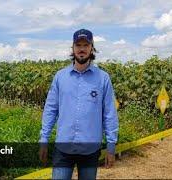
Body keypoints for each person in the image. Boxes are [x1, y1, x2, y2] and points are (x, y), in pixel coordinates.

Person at [39, 28, 119, 180]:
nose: (82, 49)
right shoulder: (60, 77)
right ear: (73, 48)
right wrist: (44, 139)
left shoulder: (103, 78)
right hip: (63, 148)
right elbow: (50, 109)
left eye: (85, 45)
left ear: (91, 48)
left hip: (90, 150)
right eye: (78, 45)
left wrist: (111, 146)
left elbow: (109, 114)